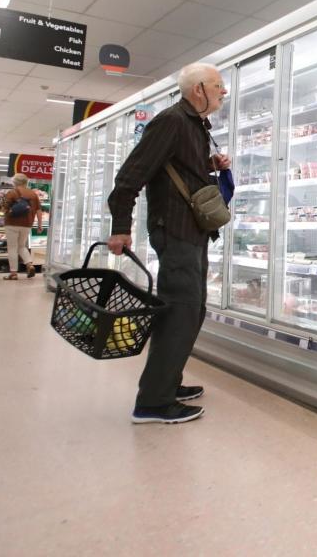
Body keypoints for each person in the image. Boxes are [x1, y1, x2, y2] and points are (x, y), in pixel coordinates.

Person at [107, 63, 231, 425]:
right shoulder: (171, 121)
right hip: (175, 232)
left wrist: (211, 164)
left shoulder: (195, 125)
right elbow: (130, 176)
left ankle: (167, 382)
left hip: (193, 231)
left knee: (192, 311)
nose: (223, 92)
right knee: (180, 311)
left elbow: (177, 169)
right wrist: (120, 226)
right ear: (198, 90)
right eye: (218, 86)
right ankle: (153, 403)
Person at [0, 173, 42, 280]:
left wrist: (5, 210)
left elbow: (3, 207)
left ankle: (13, 273)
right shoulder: (33, 194)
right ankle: (29, 265)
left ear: (14, 182)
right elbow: (39, 210)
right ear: (26, 182)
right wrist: (39, 225)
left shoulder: (12, 192)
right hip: (27, 224)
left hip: (12, 223)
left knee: (12, 247)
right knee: (22, 246)